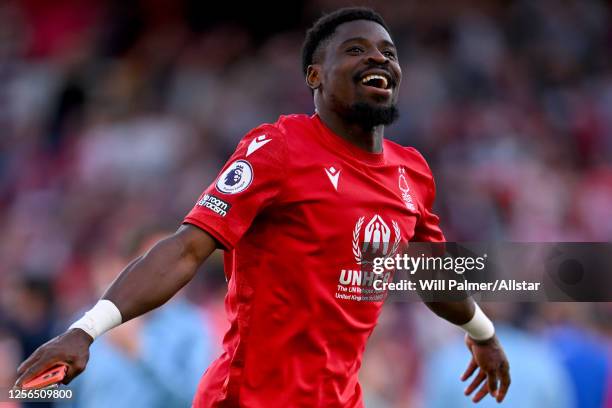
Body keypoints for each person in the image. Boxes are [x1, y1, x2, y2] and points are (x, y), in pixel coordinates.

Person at [15, 7, 510, 407]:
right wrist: (86, 329)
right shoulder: (279, 148)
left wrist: (483, 333)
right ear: (315, 75)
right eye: (356, 50)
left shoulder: (412, 172)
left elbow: (431, 277)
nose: (378, 59)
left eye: (388, 51)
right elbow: (188, 248)